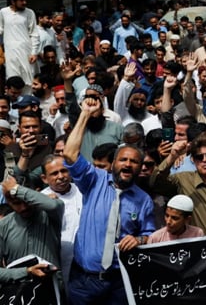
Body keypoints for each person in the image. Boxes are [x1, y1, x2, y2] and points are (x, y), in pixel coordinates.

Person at [63, 96, 155, 304]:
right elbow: (69, 154)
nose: (128, 164)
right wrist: (85, 114)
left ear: (140, 168)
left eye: (134, 161)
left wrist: (139, 239)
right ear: (113, 163)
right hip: (84, 281)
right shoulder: (94, 180)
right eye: (123, 159)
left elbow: (149, 235)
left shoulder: (144, 200)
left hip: (120, 282)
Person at [0, 175, 63, 283]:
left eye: (27, 201)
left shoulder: (49, 215)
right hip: (19, 293)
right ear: (8, 201)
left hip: (54, 289)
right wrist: (26, 271)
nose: (24, 207)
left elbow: (52, 205)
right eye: (17, 203)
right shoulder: (4, 226)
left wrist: (16, 189)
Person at [41, 154, 82, 282]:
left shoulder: (82, 190)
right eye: (54, 173)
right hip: (59, 262)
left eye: (64, 170)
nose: (61, 176)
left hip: (86, 262)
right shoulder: (41, 200)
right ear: (44, 178)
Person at [0, 0, 40, 94]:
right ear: (13, 2)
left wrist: (34, 52)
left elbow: (34, 33)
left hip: (27, 53)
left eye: (25, 0)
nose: (24, 3)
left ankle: (28, 104)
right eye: (21, 0)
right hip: (11, 54)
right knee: (13, 80)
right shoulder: (3, 12)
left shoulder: (29, 13)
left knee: (29, 80)